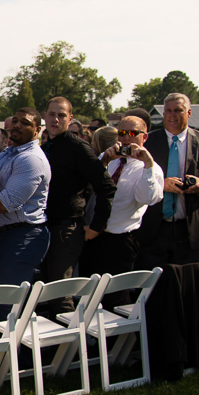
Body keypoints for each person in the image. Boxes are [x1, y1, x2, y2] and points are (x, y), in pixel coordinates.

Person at [0, 108, 52, 319]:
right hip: (7, 234)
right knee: (5, 302)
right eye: (14, 121)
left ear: (37, 130)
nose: (16, 125)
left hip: (24, 235)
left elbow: (4, 204)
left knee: (11, 307)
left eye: (24, 122)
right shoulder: (7, 154)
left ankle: (18, 352)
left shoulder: (31, 159)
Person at [39, 97, 115, 316]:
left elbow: (106, 186)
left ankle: (72, 349)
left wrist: (97, 225)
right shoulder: (45, 148)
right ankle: (55, 348)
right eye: (52, 114)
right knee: (46, 291)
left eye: (61, 115)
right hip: (46, 228)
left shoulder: (78, 147)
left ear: (70, 118)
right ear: (45, 117)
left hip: (67, 229)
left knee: (60, 294)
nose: (55, 119)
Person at [79, 121, 162, 304]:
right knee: (88, 296)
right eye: (122, 133)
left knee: (114, 299)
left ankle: (114, 334)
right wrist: (104, 161)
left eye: (132, 134)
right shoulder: (108, 158)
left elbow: (149, 198)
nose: (126, 138)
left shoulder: (150, 167)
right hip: (93, 236)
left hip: (119, 240)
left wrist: (147, 164)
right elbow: (89, 189)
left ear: (144, 137)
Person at [135, 93, 199, 268]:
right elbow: (133, 178)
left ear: (189, 113)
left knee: (185, 287)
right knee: (152, 287)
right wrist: (162, 183)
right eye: (168, 111)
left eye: (178, 110)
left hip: (189, 229)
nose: (172, 115)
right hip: (154, 228)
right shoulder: (148, 142)